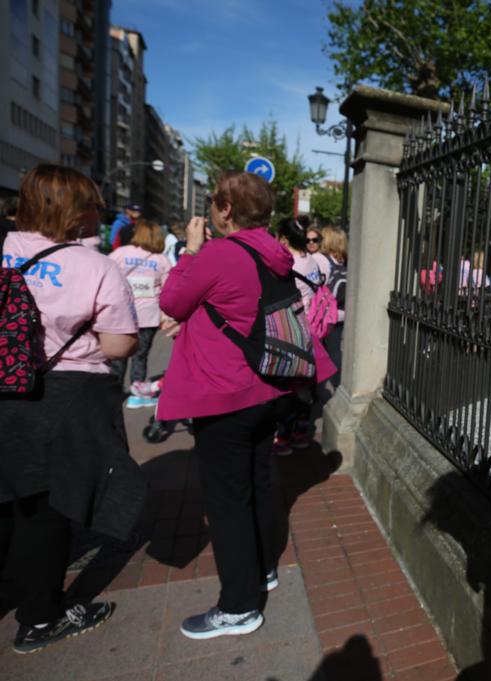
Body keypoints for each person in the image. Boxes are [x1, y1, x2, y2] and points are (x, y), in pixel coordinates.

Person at [158, 171, 333, 640]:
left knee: (227, 501)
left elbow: (173, 301)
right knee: (256, 484)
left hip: (224, 393)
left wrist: (191, 250)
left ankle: (238, 606)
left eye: (214, 201)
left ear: (226, 209)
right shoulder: (273, 253)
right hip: (269, 388)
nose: (211, 209)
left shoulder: (217, 253)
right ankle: (262, 572)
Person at [0, 164, 146, 654]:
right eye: (91, 205)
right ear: (74, 210)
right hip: (63, 391)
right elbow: (120, 344)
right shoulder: (95, 266)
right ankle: (40, 618)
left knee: (7, 496)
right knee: (48, 505)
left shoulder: (4, 248)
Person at [271, 216, 326, 454]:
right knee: (306, 387)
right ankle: (301, 433)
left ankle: (283, 438)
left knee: (287, 390)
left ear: (283, 238)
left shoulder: (288, 264)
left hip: (294, 334)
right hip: (313, 331)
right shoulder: (311, 261)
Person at [108, 219, 173, 406]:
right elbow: (167, 291)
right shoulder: (162, 261)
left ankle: (114, 394)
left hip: (121, 314)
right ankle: (137, 394)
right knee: (141, 356)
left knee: (118, 357)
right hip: (148, 316)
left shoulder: (119, 254)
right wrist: (166, 317)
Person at [320, 227, 348, 390]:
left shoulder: (324, 261)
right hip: (340, 313)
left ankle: (333, 382)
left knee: (328, 348)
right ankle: (338, 381)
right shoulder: (343, 261)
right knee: (335, 347)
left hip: (326, 314)